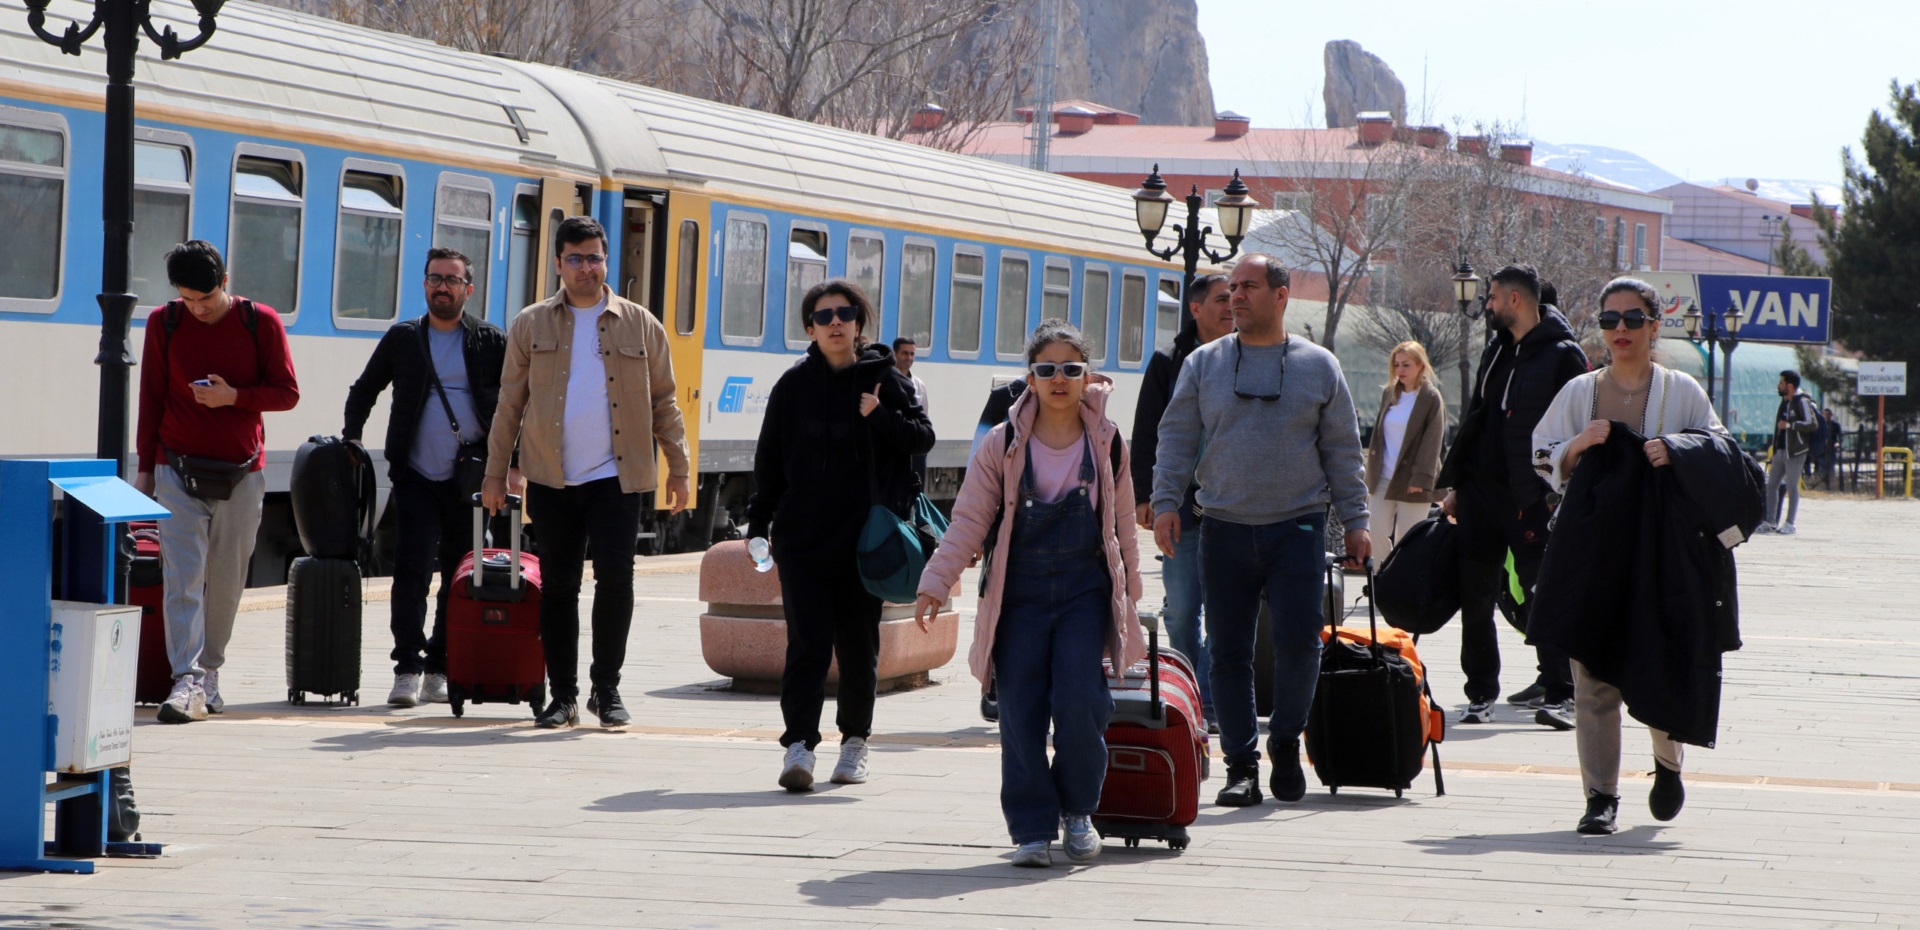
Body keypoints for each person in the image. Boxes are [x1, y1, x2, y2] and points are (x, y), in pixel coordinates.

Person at [915, 319, 1146, 867]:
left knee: (1082, 699)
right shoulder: (1002, 443)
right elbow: (969, 519)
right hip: (1017, 592)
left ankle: (1077, 811)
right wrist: (935, 581)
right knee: (1018, 708)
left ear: (1086, 375)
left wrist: (1131, 590)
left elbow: (1120, 523)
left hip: (1083, 591)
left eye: (1070, 368)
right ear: (1031, 377)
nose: (1059, 378)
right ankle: (1032, 829)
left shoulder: (1108, 442)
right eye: (1047, 369)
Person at [1151, 254, 1371, 808]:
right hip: (1222, 526)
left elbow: (1343, 451)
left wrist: (1357, 523)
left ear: (1281, 294)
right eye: (1230, 290)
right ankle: (1242, 765)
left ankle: (1286, 742)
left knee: (1299, 643)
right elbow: (1175, 436)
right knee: (1228, 651)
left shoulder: (1319, 366)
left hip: (1298, 528)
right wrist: (1164, 502)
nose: (1236, 298)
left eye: (1248, 287)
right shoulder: (1203, 363)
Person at [1529, 276, 1745, 835]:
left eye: (1630, 319)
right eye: (1608, 320)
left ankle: (1668, 764)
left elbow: (1723, 450)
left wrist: (1673, 449)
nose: (1618, 330)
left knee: (1660, 661)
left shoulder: (1681, 391)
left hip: (1664, 556)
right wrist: (1579, 444)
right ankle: (1599, 796)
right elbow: (1540, 453)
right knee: (1592, 673)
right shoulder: (1581, 392)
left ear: (1653, 326)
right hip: (1593, 554)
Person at [482, 215, 690, 729]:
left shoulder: (640, 323)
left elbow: (665, 400)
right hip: (552, 477)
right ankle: (564, 696)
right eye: (574, 258)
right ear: (557, 264)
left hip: (617, 478)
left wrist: (680, 469)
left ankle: (607, 689)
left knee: (617, 579)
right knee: (558, 587)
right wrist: (494, 474)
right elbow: (509, 403)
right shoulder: (531, 323)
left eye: (594, 257)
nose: (585, 268)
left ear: (605, 261)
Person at [747, 280, 934, 792]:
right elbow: (770, 462)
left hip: (865, 540)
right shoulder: (792, 386)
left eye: (845, 313)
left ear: (859, 323)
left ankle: (855, 743)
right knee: (806, 643)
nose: (835, 322)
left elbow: (923, 438)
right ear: (809, 327)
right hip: (803, 538)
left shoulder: (882, 378)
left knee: (857, 645)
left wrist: (879, 417)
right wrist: (758, 525)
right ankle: (799, 747)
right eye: (824, 315)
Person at [133, 240, 300, 723]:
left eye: (205, 299)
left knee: (226, 582)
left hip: (241, 472)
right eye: (188, 299)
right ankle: (185, 678)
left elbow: (287, 393)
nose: (198, 309)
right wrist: (146, 468)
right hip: (175, 466)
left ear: (224, 283)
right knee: (182, 578)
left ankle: (211, 671)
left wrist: (235, 398)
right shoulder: (164, 323)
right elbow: (152, 397)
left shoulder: (259, 321)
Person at [343, 248, 514, 707]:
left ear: (468, 289)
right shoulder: (404, 338)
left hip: (470, 480)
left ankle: (440, 665)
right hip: (415, 474)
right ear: (424, 285)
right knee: (411, 571)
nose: (443, 286)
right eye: (435, 278)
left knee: (460, 575)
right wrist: (352, 438)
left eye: (452, 280)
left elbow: (516, 405)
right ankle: (407, 668)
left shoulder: (489, 340)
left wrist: (512, 465)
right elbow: (365, 389)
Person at [1436, 263, 1590, 729]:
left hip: (1531, 496)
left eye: (1494, 297)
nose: (1488, 305)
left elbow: (1578, 426)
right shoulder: (1496, 351)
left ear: (1516, 300)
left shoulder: (1565, 355)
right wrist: (1458, 486)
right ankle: (1480, 693)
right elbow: (1478, 419)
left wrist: (1559, 492)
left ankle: (1561, 691)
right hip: (1480, 494)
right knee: (1476, 598)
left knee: (1544, 594)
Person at [1131, 273, 1231, 729]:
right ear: (1196, 308)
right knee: (1183, 611)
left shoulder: (1249, 356)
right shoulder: (1168, 362)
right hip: (1182, 511)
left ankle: (1212, 697)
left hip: (1235, 509)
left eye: (1236, 297)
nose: (1232, 306)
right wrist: (1146, 496)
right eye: (1222, 299)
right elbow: (1148, 430)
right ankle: (1200, 695)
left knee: (1230, 613)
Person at [1365, 340, 1447, 562]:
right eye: (1397, 364)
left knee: (1408, 539)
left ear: (1420, 365)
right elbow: (1378, 438)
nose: (1400, 370)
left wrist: (1421, 477)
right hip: (1383, 477)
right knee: (1375, 532)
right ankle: (1385, 580)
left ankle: (1401, 589)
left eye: (1406, 365)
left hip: (1413, 480)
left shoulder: (1430, 397)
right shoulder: (1389, 394)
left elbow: (1433, 441)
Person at [1759, 371, 1819, 535]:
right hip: (1780, 450)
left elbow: (1811, 424)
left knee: (1792, 487)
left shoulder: (1802, 401)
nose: (1779, 385)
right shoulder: (1785, 402)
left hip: (1796, 451)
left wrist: (1790, 425)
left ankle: (1790, 523)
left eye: (1781, 383)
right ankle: (1770, 521)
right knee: (1771, 485)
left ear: (1790, 386)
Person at [893, 337, 931, 485]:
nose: (908, 358)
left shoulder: (919, 385)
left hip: (914, 448)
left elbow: (925, 416)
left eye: (912, 354)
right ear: (895, 353)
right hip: (894, 446)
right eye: (904, 353)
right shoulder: (887, 381)